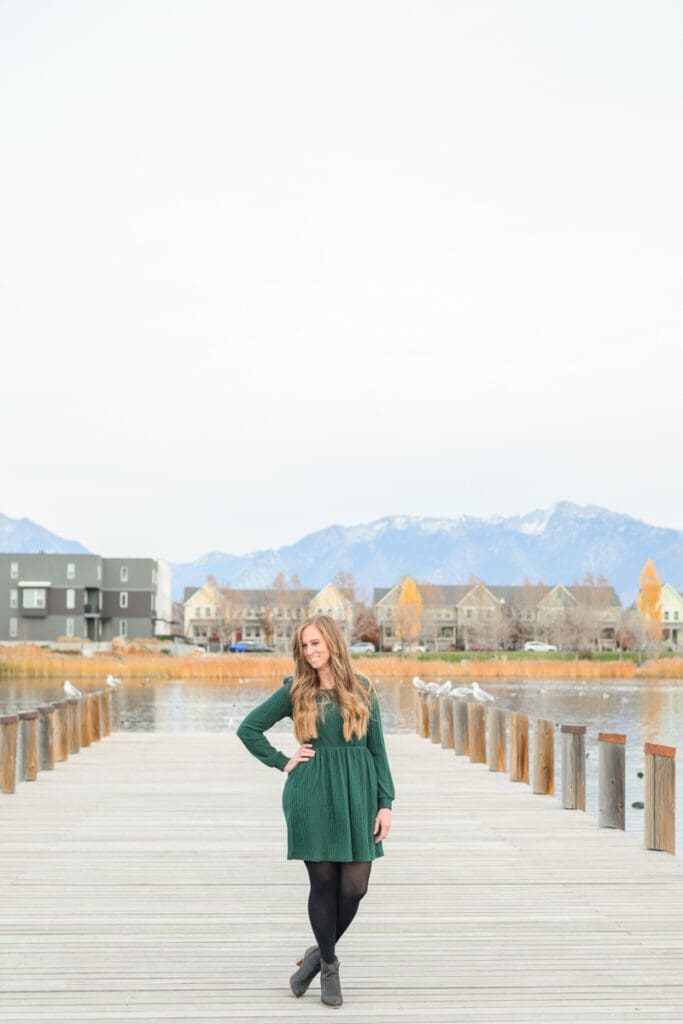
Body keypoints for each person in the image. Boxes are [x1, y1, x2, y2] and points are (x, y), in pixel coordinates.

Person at [236, 613, 395, 1008]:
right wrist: (282, 761)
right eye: (304, 646)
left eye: (315, 643)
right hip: (311, 793)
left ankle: (315, 956)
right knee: (323, 885)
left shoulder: (363, 688)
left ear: (332, 644)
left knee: (355, 887)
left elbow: (377, 750)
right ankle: (329, 968)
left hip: (357, 794)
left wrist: (385, 803)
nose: (309, 651)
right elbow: (248, 729)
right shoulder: (296, 690)